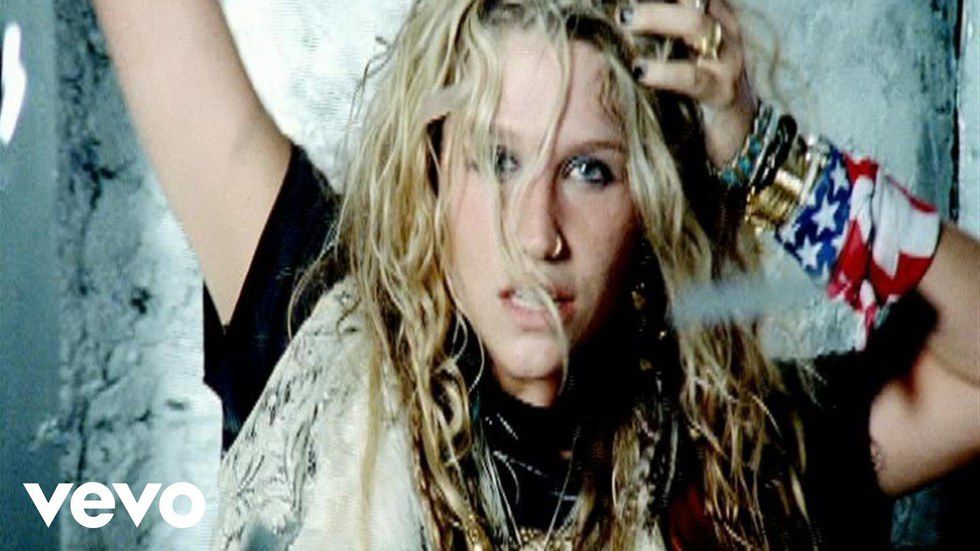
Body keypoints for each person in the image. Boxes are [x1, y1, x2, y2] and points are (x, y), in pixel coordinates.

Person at [93, 0, 980, 548]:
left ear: (652, 201)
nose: (535, 233)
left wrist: (769, 160)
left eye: (589, 170)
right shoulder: (312, 318)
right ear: (434, 170)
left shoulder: (733, 455)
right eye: (498, 158)